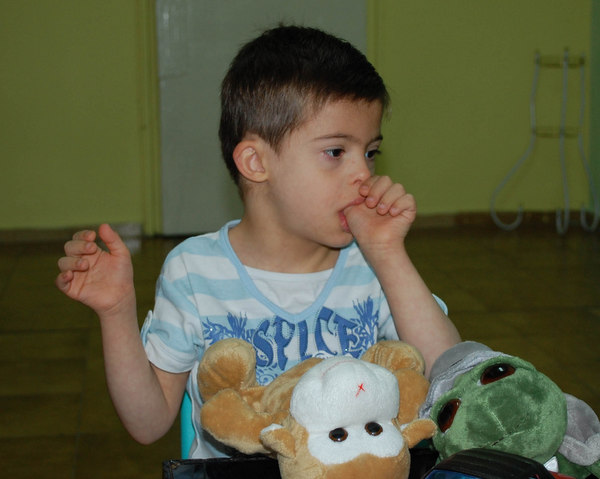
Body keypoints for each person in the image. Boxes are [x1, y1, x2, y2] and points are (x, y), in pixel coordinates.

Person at [56, 25, 461, 458]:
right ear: (255, 162)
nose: (363, 173)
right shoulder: (194, 272)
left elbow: (454, 379)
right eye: (336, 152)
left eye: (370, 152)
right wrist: (117, 312)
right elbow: (147, 424)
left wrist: (387, 254)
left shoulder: (369, 265)